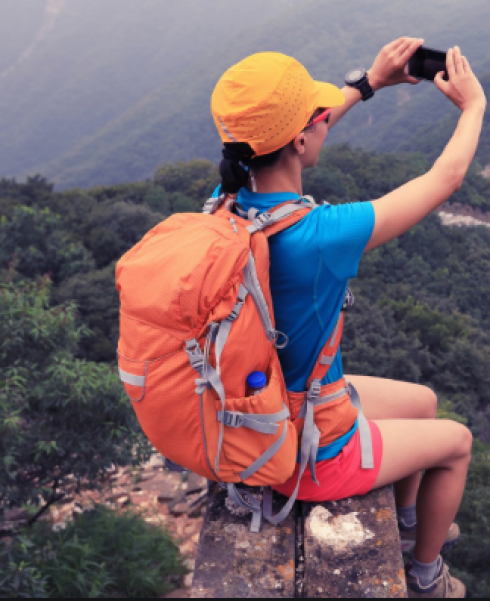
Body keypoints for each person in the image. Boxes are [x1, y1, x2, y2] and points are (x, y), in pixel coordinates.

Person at [210, 38, 486, 598]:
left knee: (423, 402)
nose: (324, 120)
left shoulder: (226, 202)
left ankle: (410, 524)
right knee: (456, 441)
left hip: (273, 401)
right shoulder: (317, 235)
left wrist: (368, 85)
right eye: (318, 117)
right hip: (308, 451)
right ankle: (428, 575)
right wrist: (476, 107)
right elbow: (444, 180)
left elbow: (295, 129)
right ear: (302, 138)